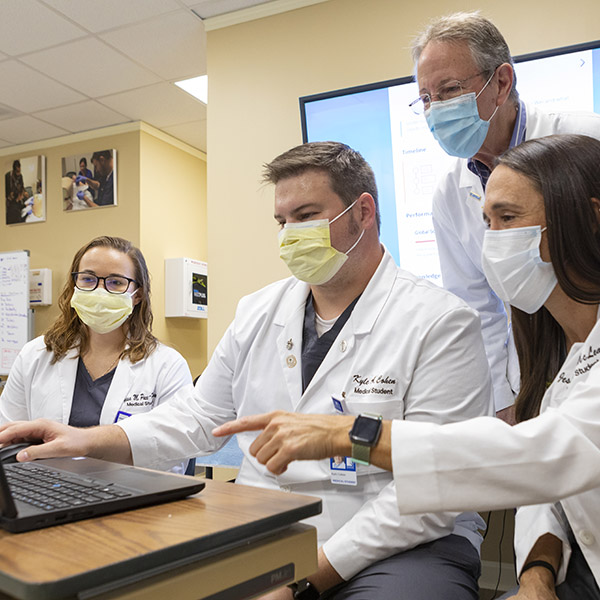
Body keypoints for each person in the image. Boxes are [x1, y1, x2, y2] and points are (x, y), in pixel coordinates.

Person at [0, 142, 494, 600]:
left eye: (305, 216)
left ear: (363, 212)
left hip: (403, 541)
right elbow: (198, 417)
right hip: (270, 522)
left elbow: (433, 488)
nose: (289, 234)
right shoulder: (258, 311)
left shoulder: (441, 322)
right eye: (282, 220)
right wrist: (87, 441)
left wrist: (296, 580)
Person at [213, 134, 600, 599]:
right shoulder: (565, 354)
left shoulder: (439, 318)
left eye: (508, 218)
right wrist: (537, 576)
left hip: (411, 544)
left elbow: (544, 456)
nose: (491, 242)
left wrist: (353, 434)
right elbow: (550, 491)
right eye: (487, 222)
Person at [411, 11, 600, 423]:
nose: (435, 110)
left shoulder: (588, 139)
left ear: (501, 82)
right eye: (425, 98)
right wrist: (503, 400)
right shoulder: (449, 192)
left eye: (449, 90)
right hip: (534, 364)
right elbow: (477, 307)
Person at [0, 236, 193, 472]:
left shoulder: (167, 365)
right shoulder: (35, 355)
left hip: (130, 489)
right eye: (88, 279)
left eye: (116, 282)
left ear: (138, 294)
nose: (100, 291)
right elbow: (8, 438)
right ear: (74, 285)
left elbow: (174, 454)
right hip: (45, 485)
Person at [5, 159, 29, 225]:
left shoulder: (20, 176)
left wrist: (24, 192)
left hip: (16, 201)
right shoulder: (8, 177)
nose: (19, 173)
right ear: (14, 170)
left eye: (20, 171)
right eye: (17, 171)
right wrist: (11, 196)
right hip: (12, 202)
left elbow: (22, 186)